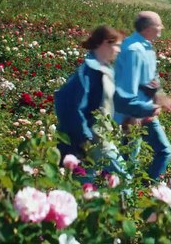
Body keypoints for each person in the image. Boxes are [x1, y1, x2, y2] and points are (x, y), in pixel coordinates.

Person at [55, 25, 130, 181]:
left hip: (99, 136)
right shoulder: (88, 72)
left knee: (84, 182)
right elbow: (70, 105)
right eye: (116, 45)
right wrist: (85, 136)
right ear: (104, 43)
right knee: (123, 177)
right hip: (95, 138)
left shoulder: (104, 70)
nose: (118, 50)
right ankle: (127, 205)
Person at [114, 11, 171, 183]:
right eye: (158, 26)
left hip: (144, 109)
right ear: (148, 29)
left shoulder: (145, 47)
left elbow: (149, 79)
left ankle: (134, 192)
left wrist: (159, 96)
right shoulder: (134, 50)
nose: (161, 29)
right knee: (157, 152)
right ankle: (140, 191)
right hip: (135, 113)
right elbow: (127, 88)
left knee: (131, 157)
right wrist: (134, 115)